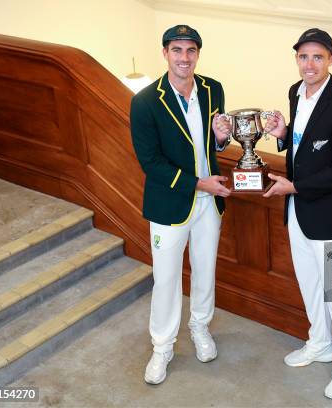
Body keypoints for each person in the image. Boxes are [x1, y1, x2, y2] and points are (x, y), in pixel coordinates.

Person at [263, 28, 332, 399]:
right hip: (298, 213)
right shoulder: (295, 92)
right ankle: (320, 342)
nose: (309, 64)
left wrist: (294, 186)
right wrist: (282, 133)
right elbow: (303, 145)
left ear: (331, 60)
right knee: (310, 286)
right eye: (303, 57)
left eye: (317, 57)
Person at [129, 24, 232, 385]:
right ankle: (162, 347)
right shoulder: (144, 102)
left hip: (209, 204)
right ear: (165, 53)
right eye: (177, 50)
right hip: (170, 204)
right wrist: (198, 183)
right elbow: (151, 162)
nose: (184, 58)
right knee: (167, 279)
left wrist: (220, 141)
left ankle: (200, 327)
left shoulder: (212, 88)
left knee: (205, 270)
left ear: (198, 54)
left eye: (190, 50)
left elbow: (213, 143)